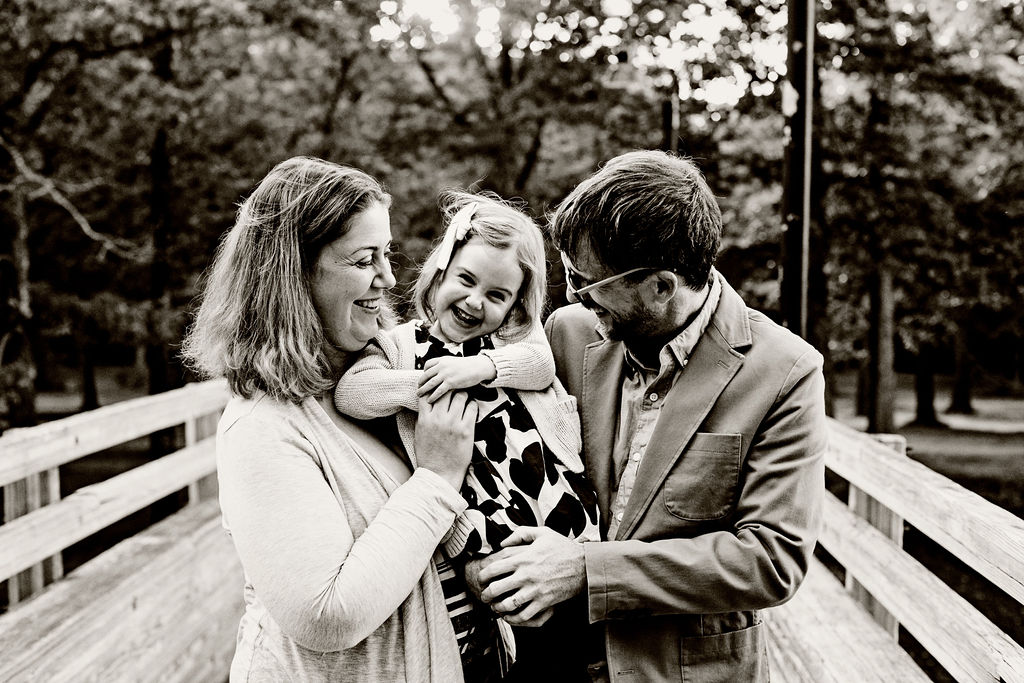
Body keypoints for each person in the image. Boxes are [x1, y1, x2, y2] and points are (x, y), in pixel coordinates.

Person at [470, 150, 827, 682]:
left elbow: (770, 559)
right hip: (553, 662)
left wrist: (587, 571)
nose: (572, 295)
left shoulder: (787, 372)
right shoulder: (567, 334)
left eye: (586, 281)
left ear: (661, 286)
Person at [181, 156, 477, 682]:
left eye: (385, 254)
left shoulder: (375, 379)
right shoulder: (262, 426)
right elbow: (325, 616)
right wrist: (436, 481)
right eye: (365, 260)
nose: (388, 278)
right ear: (293, 272)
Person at [334, 190, 601, 677]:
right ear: (440, 272)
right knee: (527, 640)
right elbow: (352, 393)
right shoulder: (399, 345)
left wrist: (478, 368)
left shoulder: (514, 338)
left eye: (498, 295)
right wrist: (425, 385)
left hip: (559, 512)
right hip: (487, 528)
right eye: (466, 280)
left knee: (588, 644)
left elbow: (541, 366)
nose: (476, 301)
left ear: (516, 303)